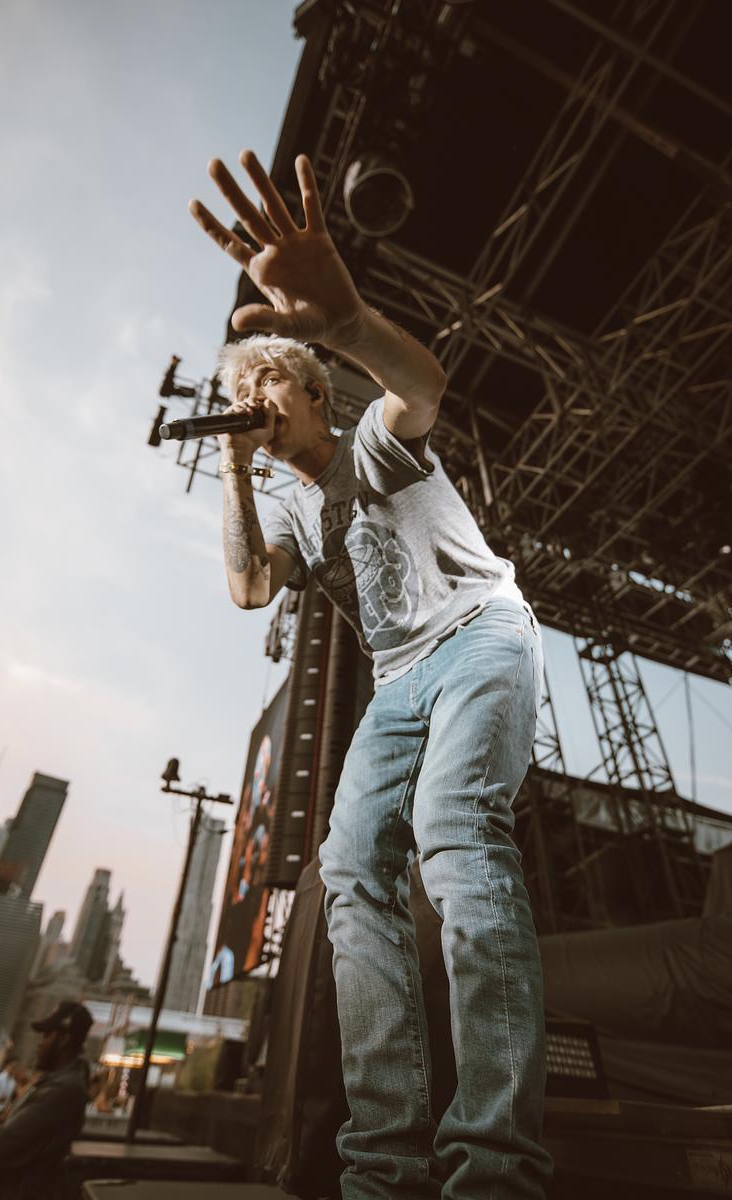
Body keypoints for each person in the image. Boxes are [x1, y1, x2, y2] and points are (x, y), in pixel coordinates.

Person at [190, 150, 552, 1200]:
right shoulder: (290, 510)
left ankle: (494, 1166)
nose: (253, 398)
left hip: (479, 636)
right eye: (241, 391)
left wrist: (344, 321)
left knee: (455, 831)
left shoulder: (368, 446)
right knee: (347, 872)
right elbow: (249, 589)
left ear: (309, 391)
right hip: (399, 683)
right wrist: (231, 465)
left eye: (267, 382)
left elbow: (420, 386)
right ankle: (383, 1167)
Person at [0, 1001, 92, 1200]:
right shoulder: (54, 1083)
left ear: (63, 1039)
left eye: (46, 1035)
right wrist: (0, 1128)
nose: (40, 1043)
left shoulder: (61, 1091)